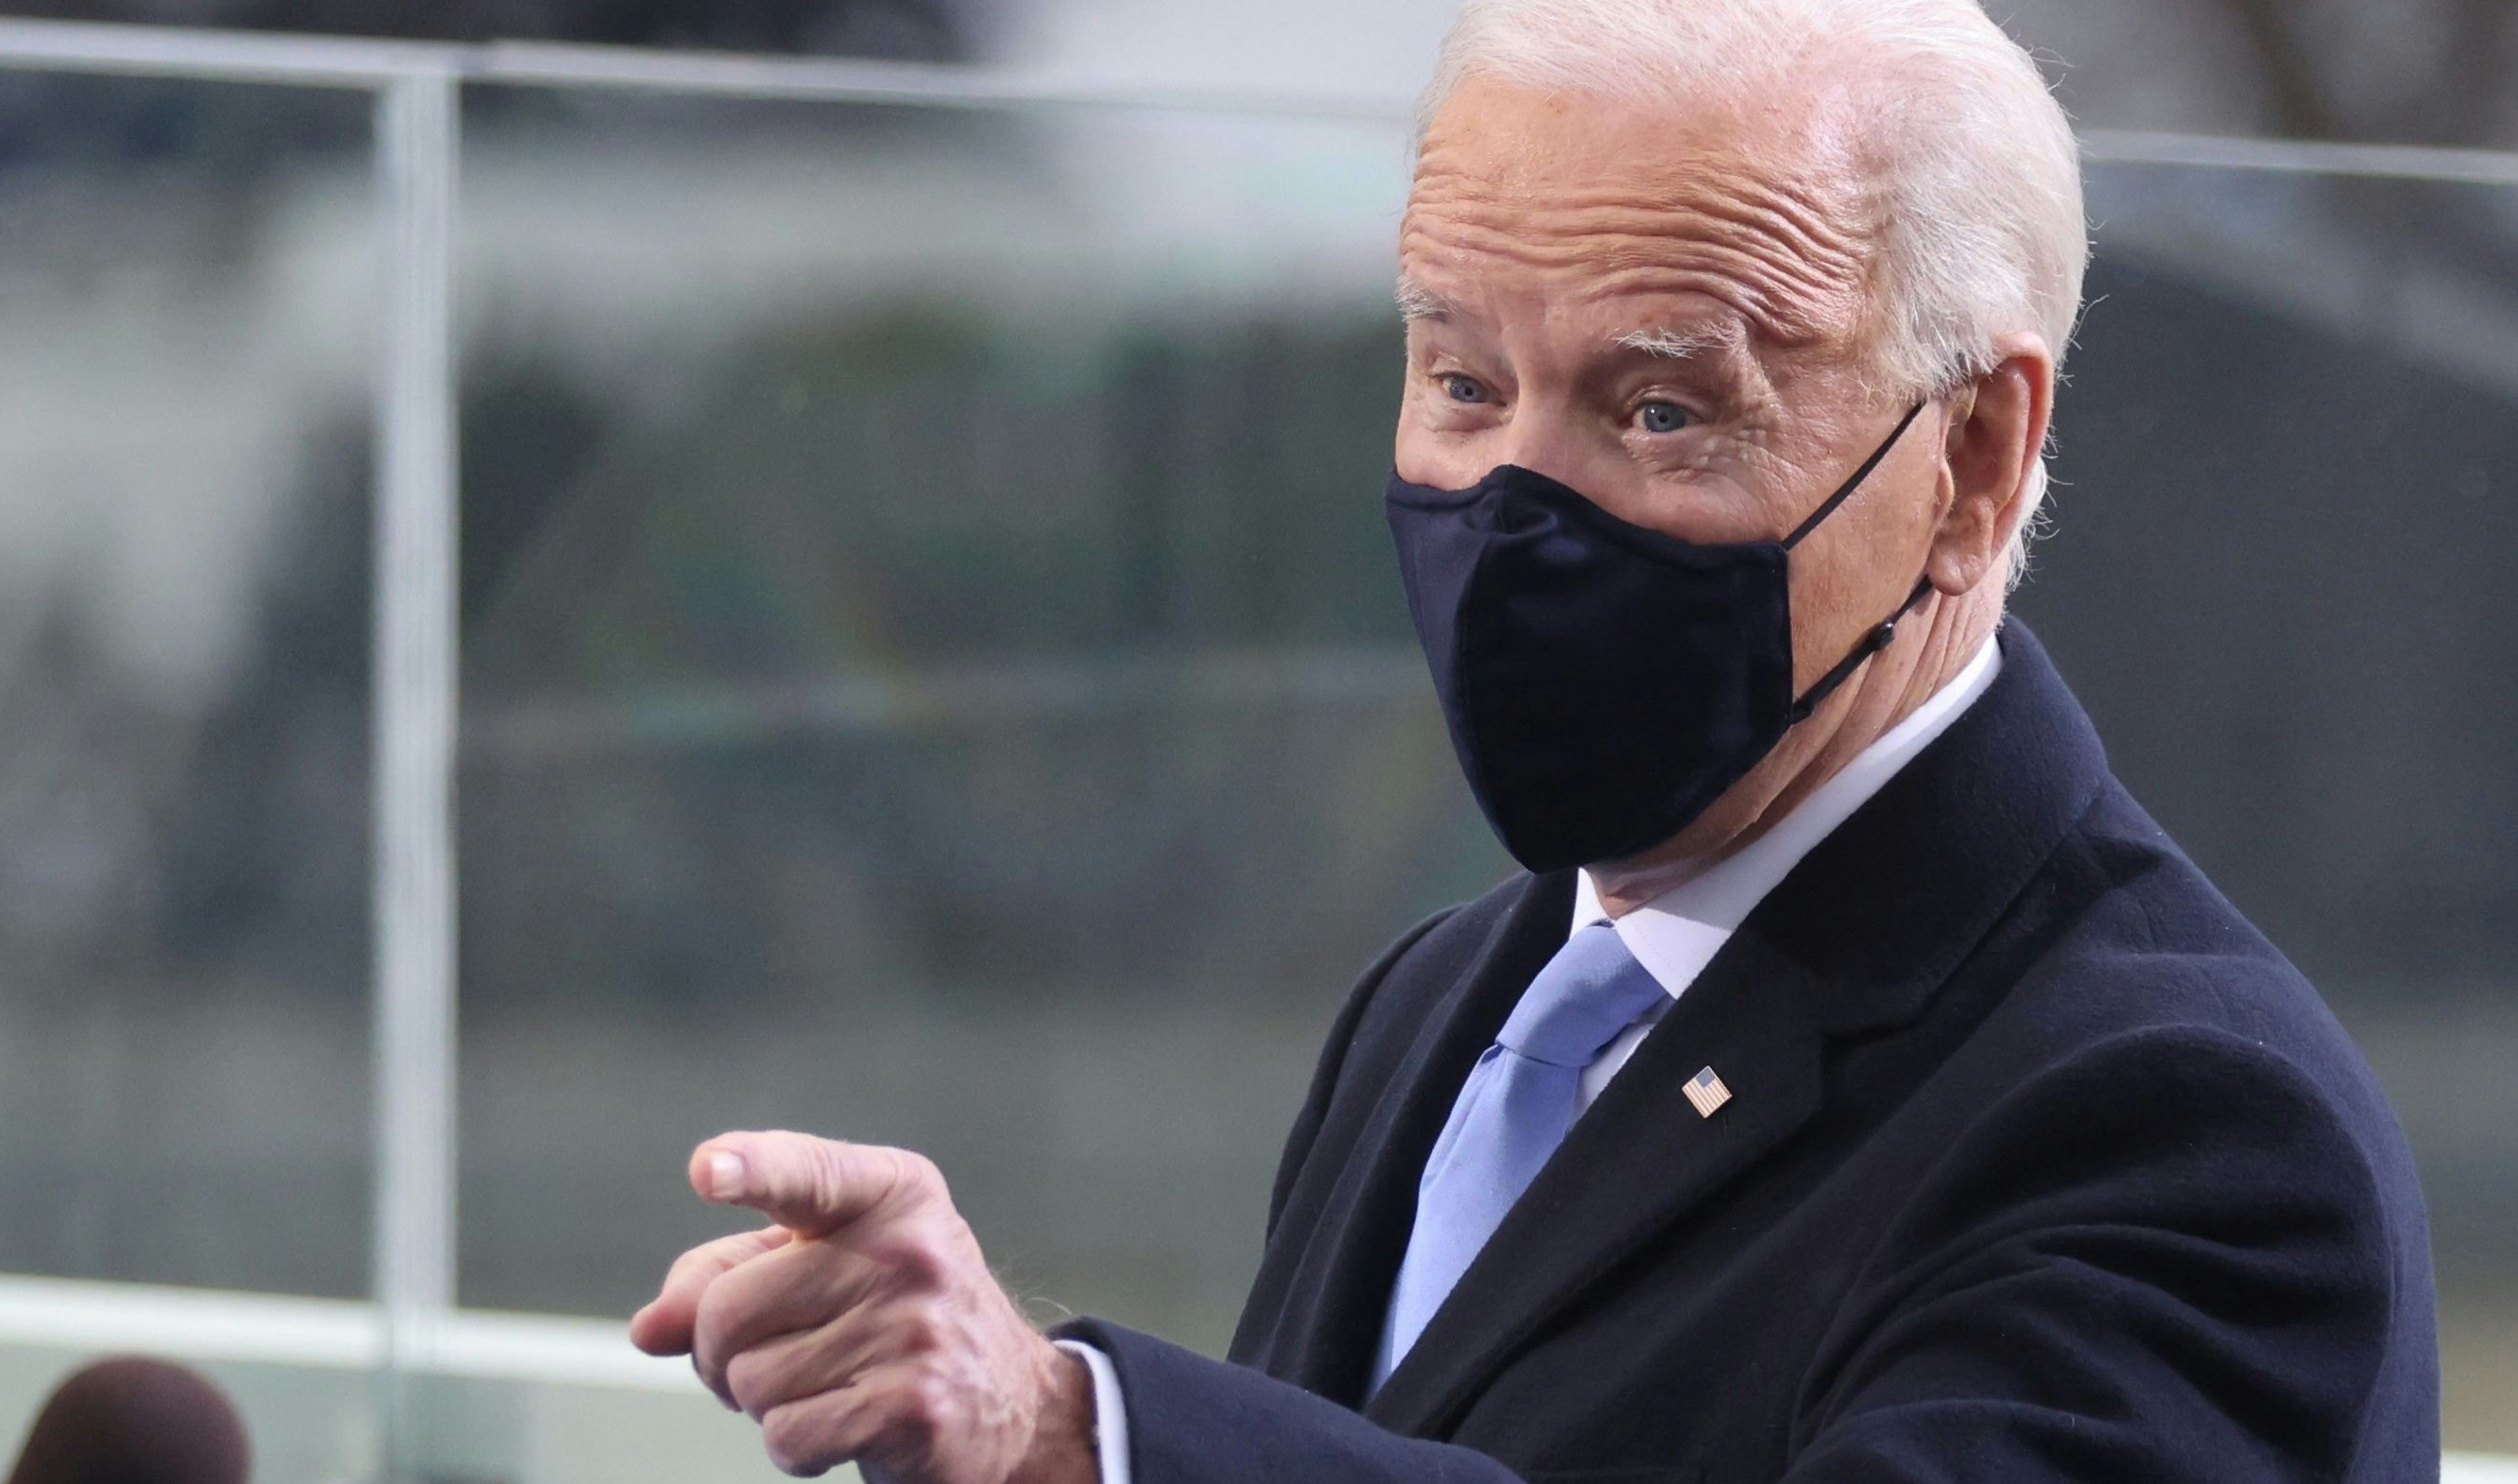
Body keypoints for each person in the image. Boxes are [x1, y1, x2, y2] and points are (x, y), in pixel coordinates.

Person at [626, 0, 2443, 1478]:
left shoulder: (2193, 1135)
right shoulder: (1450, 1005)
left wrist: (1078, 1440)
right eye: (1464, 382)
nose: (1514, 506)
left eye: (1660, 407)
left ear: (1970, 461)